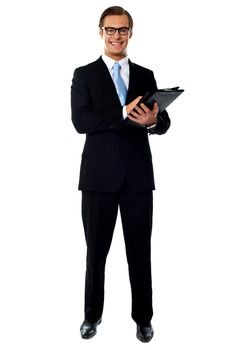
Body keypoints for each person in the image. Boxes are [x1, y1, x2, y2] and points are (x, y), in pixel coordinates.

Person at [71, 6, 171, 342]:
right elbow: (81, 122)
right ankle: (91, 317)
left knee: (140, 252)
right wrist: (121, 113)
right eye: (111, 30)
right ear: (100, 32)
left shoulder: (145, 74)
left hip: (138, 178)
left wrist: (153, 121)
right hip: (98, 179)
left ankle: (144, 319)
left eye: (123, 30)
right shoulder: (84, 75)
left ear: (131, 33)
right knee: (95, 253)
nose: (117, 35)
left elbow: (163, 122)